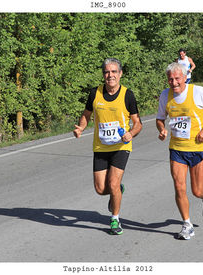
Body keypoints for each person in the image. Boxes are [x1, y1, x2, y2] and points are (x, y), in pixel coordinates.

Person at [73, 58, 142, 235]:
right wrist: (81, 127)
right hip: (101, 147)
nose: (109, 75)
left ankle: (115, 219)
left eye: (113, 72)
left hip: (121, 146)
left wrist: (131, 133)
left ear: (120, 74)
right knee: (100, 189)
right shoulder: (94, 93)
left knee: (112, 183)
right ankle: (118, 190)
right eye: (106, 72)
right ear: (103, 74)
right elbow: (86, 114)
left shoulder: (128, 95)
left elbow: (137, 123)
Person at [156, 62, 203, 240]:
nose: (174, 82)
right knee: (179, 187)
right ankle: (187, 224)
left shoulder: (198, 92)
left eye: (177, 78)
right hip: (177, 149)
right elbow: (160, 118)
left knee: (197, 190)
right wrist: (161, 129)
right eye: (170, 79)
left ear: (185, 77)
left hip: (198, 148)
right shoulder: (165, 95)